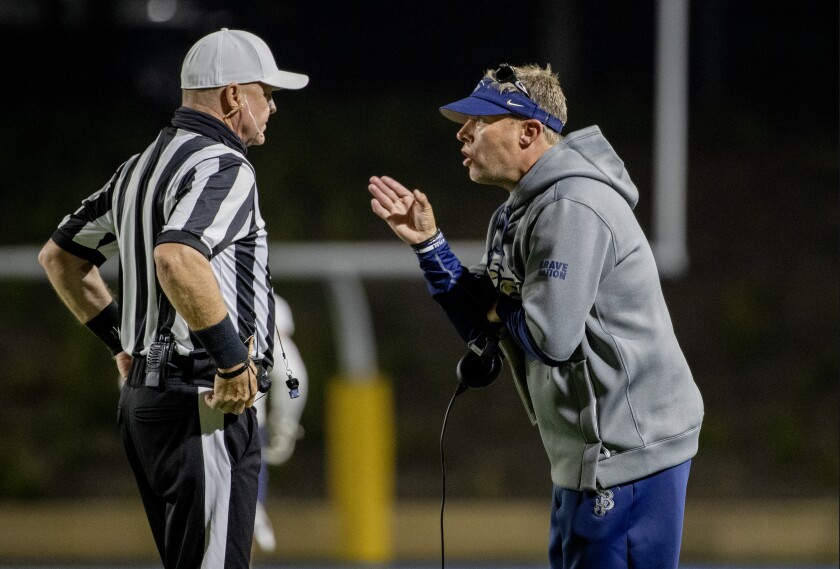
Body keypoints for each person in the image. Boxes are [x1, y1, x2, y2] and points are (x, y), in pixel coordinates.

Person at [368, 63, 704, 569]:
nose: (463, 133)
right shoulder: (520, 209)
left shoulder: (572, 203)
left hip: (626, 454)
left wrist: (495, 305)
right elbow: (486, 323)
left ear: (528, 132)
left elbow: (549, 339)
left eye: (480, 120)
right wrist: (430, 246)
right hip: (586, 454)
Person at [38, 28, 308, 569]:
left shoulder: (137, 168)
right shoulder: (224, 166)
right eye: (267, 93)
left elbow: (61, 258)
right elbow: (177, 257)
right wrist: (232, 361)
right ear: (234, 96)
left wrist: (122, 341)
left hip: (147, 401)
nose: (273, 108)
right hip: (203, 398)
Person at [252, 293, 309, 554]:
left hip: (177, 416)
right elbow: (292, 379)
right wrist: (284, 424)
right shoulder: (265, 301)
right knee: (241, 517)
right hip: (244, 423)